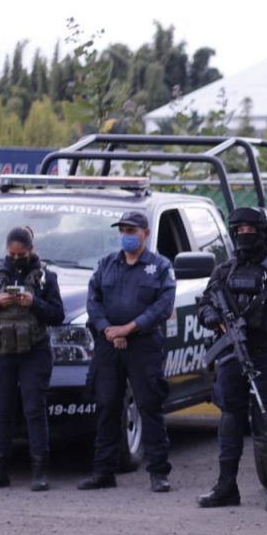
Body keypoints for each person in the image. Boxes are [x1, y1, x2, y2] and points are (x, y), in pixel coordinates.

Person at [195, 206, 267, 513]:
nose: (245, 235)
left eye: (251, 230)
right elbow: (204, 303)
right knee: (230, 417)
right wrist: (212, 317)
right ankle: (225, 487)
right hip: (232, 355)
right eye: (240, 230)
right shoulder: (224, 271)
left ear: (265, 233)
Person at [78, 211, 175, 492]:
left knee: (149, 405)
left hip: (143, 345)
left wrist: (129, 329)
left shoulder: (159, 267)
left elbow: (163, 306)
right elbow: (93, 301)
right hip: (108, 344)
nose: (126, 236)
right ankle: (103, 471)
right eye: (122, 230)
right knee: (107, 405)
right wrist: (109, 330)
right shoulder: (106, 264)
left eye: (131, 231)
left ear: (145, 233)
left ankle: (158, 472)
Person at [0, 227, 64, 491]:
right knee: (1, 412)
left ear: (31, 250)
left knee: (34, 411)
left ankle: (40, 473)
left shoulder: (45, 278)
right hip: (0, 352)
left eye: (22, 254)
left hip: (34, 352)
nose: (17, 258)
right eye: (12, 254)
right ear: (6, 250)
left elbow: (57, 315)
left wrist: (34, 303)